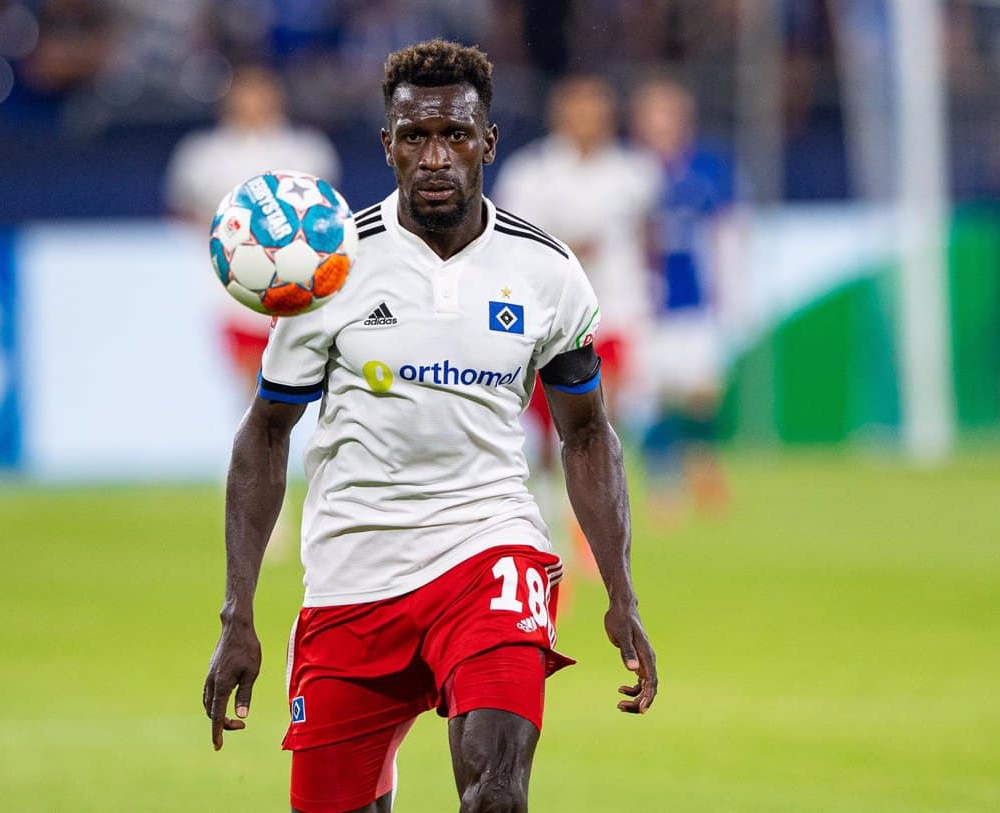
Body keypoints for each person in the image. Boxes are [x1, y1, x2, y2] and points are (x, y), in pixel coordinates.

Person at [202, 40, 657, 813]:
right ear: (388, 147)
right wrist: (237, 614)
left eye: (455, 135)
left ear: (488, 142)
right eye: (415, 137)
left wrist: (620, 589)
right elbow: (265, 435)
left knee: (497, 792)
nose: (436, 156)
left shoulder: (545, 271)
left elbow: (586, 433)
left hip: (487, 550)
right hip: (353, 576)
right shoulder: (329, 272)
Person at [494, 74, 660, 563]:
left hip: (618, 312)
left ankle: (597, 527)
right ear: (560, 116)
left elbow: (651, 238)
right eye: (578, 110)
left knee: (608, 420)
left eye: (597, 110)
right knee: (547, 432)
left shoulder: (635, 173)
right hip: (552, 321)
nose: (589, 120)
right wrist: (566, 248)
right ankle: (545, 516)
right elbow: (512, 240)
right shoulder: (531, 174)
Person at [165, 65, 341, 387]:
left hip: (294, 278)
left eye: (261, 91)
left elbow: (328, 215)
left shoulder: (307, 148)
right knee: (248, 385)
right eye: (245, 92)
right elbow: (181, 212)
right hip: (231, 283)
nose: (253, 101)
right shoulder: (201, 153)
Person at [630, 76, 736, 524]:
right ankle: (663, 483)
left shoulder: (707, 168)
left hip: (693, 299)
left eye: (667, 114)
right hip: (642, 302)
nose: (660, 124)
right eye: (652, 116)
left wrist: (729, 288)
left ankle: (702, 461)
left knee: (700, 392)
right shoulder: (628, 173)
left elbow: (727, 229)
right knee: (651, 394)